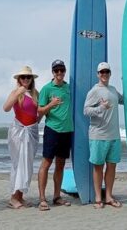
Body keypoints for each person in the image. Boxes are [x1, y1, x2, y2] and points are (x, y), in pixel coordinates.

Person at [83, 62, 123, 209]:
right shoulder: (94, 91)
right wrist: (101, 108)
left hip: (114, 135)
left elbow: (124, 100)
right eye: (102, 72)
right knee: (98, 167)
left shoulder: (112, 90)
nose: (104, 74)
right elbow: (86, 110)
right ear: (97, 74)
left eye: (107, 72)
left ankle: (109, 197)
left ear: (110, 73)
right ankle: (98, 198)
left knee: (112, 166)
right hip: (98, 135)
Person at [37, 60, 73, 211]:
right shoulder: (46, 89)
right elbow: (39, 111)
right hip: (52, 130)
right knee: (46, 163)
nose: (59, 73)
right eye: (56, 70)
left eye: (62, 70)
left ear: (64, 71)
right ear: (52, 72)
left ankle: (57, 196)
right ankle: (42, 199)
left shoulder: (69, 88)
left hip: (67, 131)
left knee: (61, 164)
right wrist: (51, 105)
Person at [3, 65, 41, 209]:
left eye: (28, 77)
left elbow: (37, 115)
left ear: (32, 79)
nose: (26, 79)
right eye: (23, 77)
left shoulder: (35, 93)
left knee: (27, 164)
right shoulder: (16, 92)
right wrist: (18, 92)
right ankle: (13, 197)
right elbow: (6, 108)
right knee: (18, 163)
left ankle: (20, 196)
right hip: (18, 131)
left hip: (31, 131)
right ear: (19, 79)